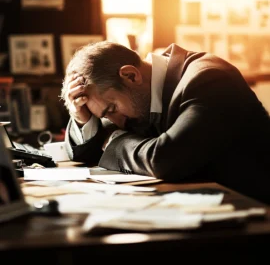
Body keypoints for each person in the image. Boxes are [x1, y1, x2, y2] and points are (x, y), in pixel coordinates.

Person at [61, 41, 270, 204]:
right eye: (105, 117)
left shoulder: (209, 79)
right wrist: (82, 119)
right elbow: (89, 151)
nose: (118, 123)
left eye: (112, 109)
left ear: (131, 75)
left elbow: (166, 159)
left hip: (254, 215)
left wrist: (114, 139)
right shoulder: (144, 92)